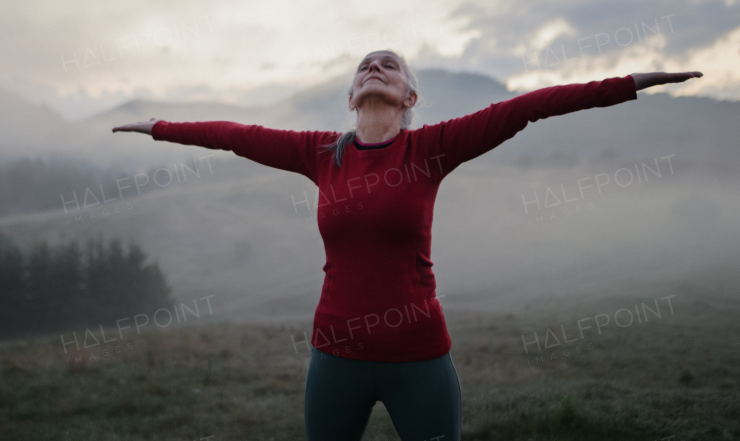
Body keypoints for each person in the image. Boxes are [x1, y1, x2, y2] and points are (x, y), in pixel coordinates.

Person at [113, 50, 702, 440]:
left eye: (389, 65)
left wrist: (632, 84)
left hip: (419, 358)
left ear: (410, 98)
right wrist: (160, 129)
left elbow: (529, 107)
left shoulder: (431, 150)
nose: (375, 65)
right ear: (350, 98)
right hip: (334, 357)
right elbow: (236, 137)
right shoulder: (321, 154)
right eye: (366, 65)